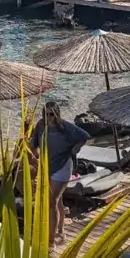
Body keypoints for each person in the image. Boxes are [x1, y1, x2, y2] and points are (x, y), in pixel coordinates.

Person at [30, 103, 89, 247]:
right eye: (46, 114)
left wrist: (76, 148)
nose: (49, 117)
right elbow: (34, 143)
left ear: (57, 114)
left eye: (52, 114)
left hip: (62, 166)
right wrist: (33, 155)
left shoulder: (65, 127)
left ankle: (50, 241)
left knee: (51, 202)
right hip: (47, 166)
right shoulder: (40, 125)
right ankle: (60, 230)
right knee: (58, 201)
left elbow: (84, 136)